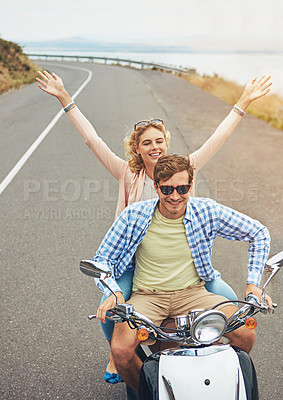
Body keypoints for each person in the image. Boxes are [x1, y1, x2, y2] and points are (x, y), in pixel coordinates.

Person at [37, 70, 272, 382]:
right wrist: (65, 98)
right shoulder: (127, 174)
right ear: (138, 148)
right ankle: (118, 356)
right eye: (147, 142)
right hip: (134, 263)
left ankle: (211, 364)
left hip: (187, 274)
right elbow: (92, 140)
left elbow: (219, 138)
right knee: (110, 312)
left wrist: (243, 101)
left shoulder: (183, 170)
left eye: (160, 141)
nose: (155, 147)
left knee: (231, 302)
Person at [94, 154, 271, 392]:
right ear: (156, 187)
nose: (175, 196)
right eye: (167, 189)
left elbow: (258, 233)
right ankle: (152, 392)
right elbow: (101, 260)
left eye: (182, 188)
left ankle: (211, 382)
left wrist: (253, 284)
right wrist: (113, 292)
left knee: (245, 335)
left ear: (190, 185)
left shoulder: (206, 210)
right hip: (148, 297)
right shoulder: (133, 215)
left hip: (193, 293)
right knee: (121, 352)